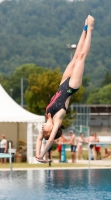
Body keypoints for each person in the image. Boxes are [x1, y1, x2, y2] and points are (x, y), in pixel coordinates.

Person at [36, 15, 94, 163]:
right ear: (50, 132)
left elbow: (39, 140)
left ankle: (85, 28)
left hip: (62, 84)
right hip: (71, 87)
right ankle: (91, 29)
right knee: (81, 57)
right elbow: (48, 142)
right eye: (44, 132)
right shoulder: (56, 121)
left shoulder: (47, 116)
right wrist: (43, 155)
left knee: (75, 56)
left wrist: (37, 155)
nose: (42, 130)